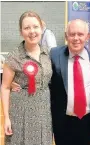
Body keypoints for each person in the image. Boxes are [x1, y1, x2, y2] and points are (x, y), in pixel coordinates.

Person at [49, 19, 90, 145]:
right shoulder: (53, 55)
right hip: (62, 122)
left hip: (87, 121)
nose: (76, 38)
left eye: (80, 34)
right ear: (66, 36)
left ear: (87, 36)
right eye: (72, 34)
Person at [1, 11, 53, 145]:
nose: (32, 31)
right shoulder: (13, 57)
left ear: (41, 28)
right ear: (21, 32)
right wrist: (6, 118)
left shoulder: (48, 53)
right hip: (20, 112)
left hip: (44, 111)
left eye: (35, 27)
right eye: (27, 28)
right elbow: (5, 87)